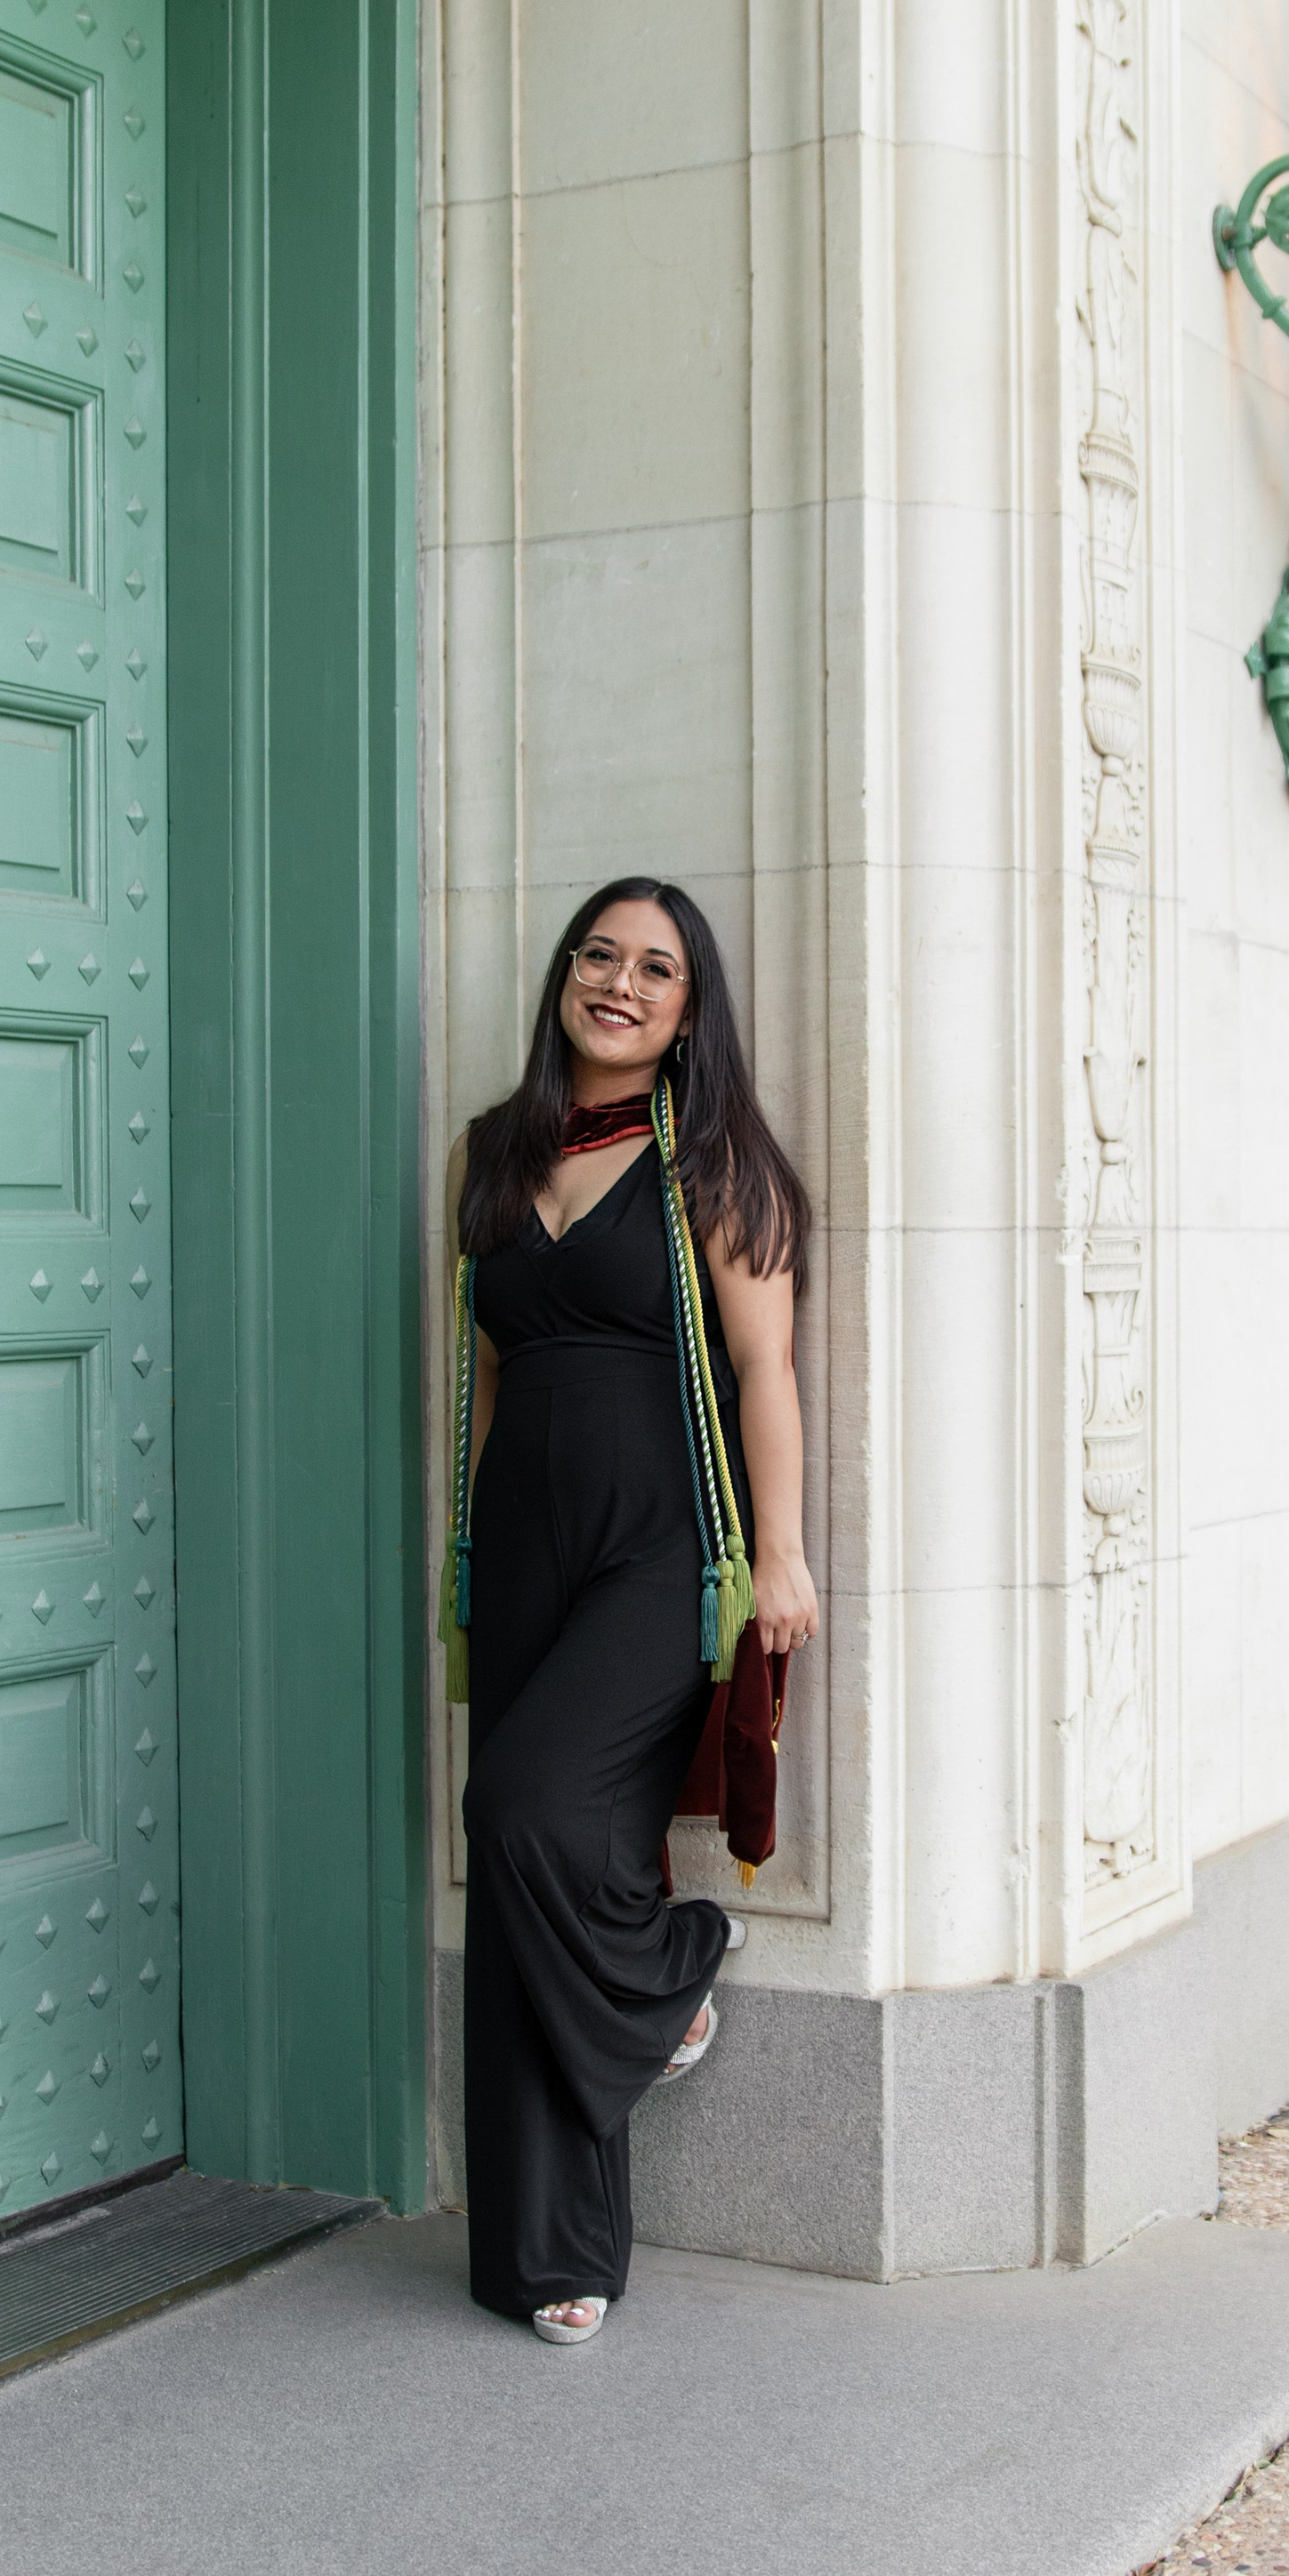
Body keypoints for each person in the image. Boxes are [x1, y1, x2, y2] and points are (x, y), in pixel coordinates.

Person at [442, 879, 817, 2345]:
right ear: (564, 977)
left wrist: (777, 1555)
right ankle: (553, 2252)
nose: (618, 981)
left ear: (686, 1007)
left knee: (523, 1811)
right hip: (522, 1551)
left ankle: (675, 1975)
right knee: (546, 1864)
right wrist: (464, 1555)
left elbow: (764, 1371)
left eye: (654, 967)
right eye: (598, 953)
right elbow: (486, 1368)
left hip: (658, 1552)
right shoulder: (492, 1148)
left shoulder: (712, 1160)